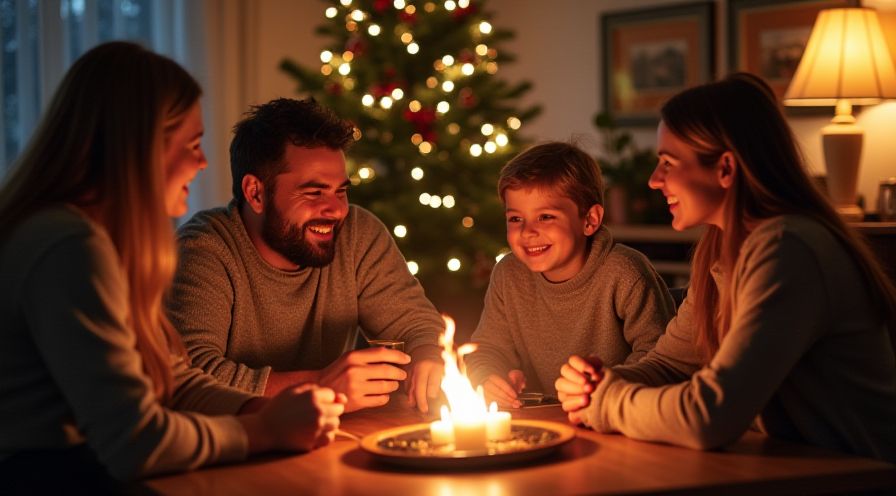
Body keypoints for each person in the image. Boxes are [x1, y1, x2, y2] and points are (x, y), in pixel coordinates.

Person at [0, 42, 345, 491]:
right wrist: (264, 431)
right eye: (193, 144)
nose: (202, 163)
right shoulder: (67, 246)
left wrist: (258, 410)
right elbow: (134, 441)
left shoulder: (91, 239)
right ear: (136, 148)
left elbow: (170, 377)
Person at [555, 73, 896, 462]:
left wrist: (606, 403)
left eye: (667, 162)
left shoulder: (788, 249)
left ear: (725, 169)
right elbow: (672, 365)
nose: (654, 180)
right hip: (792, 471)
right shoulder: (722, 248)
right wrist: (602, 383)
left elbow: (709, 416)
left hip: (859, 478)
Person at [166, 98, 445, 414]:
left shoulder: (358, 234)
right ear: (255, 193)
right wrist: (321, 385)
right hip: (234, 448)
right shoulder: (204, 248)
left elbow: (416, 325)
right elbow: (190, 375)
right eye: (314, 192)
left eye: (340, 191)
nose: (337, 209)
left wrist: (427, 353)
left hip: (329, 441)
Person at [465, 142, 675, 408]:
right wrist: (488, 377)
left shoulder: (625, 272)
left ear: (589, 220)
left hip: (615, 419)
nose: (528, 232)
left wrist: (602, 386)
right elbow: (487, 348)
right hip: (539, 422)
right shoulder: (508, 274)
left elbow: (660, 358)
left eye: (545, 217)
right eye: (516, 219)